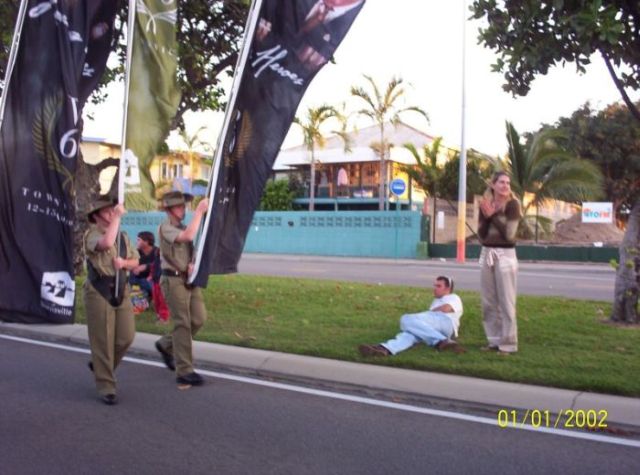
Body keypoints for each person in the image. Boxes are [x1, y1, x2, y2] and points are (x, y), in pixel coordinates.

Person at [84, 196, 139, 405]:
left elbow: (135, 262)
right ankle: (106, 385)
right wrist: (117, 217)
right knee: (103, 340)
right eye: (107, 211)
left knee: (126, 336)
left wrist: (124, 263)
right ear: (97, 216)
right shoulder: (92, 234)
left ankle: (101, 366)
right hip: (99, 289)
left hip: (121, 288)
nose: (111, 214)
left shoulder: (122, 237)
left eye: (112, 211)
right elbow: (106, 243)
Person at [154, 191, 209, 387]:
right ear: (169, 209)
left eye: (183, 206)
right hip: (173, 281)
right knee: (183, 324)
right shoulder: (166, 228)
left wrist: (192, 264)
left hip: (188, 279)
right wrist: (199, 212)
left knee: (198, 318)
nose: (183, 209)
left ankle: (166, 344)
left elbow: (189, 249)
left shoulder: (183, 227)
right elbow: (188, 236)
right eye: (178, 206)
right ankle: (184, 371)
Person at [359, 276, 465, 357]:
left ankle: (441, 341)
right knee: (409, 334)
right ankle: (385, 349)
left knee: (406, 319)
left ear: (448, 288)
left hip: (446, 322)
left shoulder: (453, 297)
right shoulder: (436, 301)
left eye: (439, 286)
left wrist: (428, 313)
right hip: (435, 328)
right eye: (435, 285)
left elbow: (446, 308)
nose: (435, 288)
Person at [478, 171, 522, 355]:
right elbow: (481, 234)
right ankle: (494, 341)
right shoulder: (486, 204)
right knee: (488, 301)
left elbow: (510, 234)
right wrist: (486, 216)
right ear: (493, 185)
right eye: (501, 182)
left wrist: (493, 216)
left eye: (508, 183)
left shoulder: (513, 205)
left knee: (506, 301)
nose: (505, 186)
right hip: (487, 253)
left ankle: (508, 344)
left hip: (505, 255)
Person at [129, 231, 161, 299]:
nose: (136, 242)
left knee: (148, 285)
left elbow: (160, 265)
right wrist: (133, 268)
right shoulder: (136, 252)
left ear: (146, 242)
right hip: (137, 280)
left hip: (151, 280)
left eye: (139, 240)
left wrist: (146, 267)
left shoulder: (157, 252)